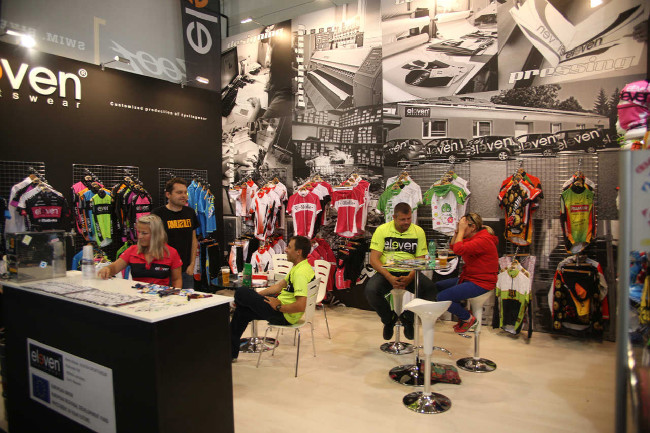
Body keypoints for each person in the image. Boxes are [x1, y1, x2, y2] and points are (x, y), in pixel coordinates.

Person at [230, 235, 315, 362]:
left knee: (241, 292)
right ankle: (230, 354)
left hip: (283, 314)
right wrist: (255, 298)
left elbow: (301, 305)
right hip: (280, 306)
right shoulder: (301, 266)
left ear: (298, 252)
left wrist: (279, 307)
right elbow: (279, 286)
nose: (285, 249)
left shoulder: (300, 274)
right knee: (242, 311)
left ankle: (236, 303)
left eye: (289, 247)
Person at [365, 202, 438, 341]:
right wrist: (389, 277)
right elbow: (374, 260)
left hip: (410, 272)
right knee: (371, 291)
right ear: (394, 217)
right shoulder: (382, 230)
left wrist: (410, 276)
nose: (407, 222)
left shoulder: (418, 231)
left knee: (430, 290)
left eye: (409, 218)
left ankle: (408, 318)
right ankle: (389, 319)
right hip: (387, 272)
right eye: (403, 219)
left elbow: (421, 258)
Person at [436, 212, 499, 333]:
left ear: (472, 227)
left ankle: (468, 319)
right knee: (437, 286)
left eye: (463, 226)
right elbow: (453, 247)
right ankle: (463, 311)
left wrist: (461, 232)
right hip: (470, 278)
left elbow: (458, 249)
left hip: (482, 282)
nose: (460, 228)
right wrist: (457, 232)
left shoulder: (483, 239)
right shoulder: (473, 237)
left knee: (442, 297)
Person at [98, 214, 183, 288]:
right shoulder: (132, 250)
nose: (140, 236)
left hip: (161, 298)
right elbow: (115, 267)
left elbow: (177, 280)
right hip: (138, 296)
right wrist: (107, 269)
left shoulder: (171, 253)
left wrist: (175, 296)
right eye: (139, 232)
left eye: (144, 233)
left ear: (156, 234)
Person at [152, 178, 199, 289]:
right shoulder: (157, 214)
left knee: (187, 299)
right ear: (168, 194)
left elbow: (193, 240)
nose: (184, 196)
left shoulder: (190, 212)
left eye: (185, 192)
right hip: (164, 271)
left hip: (185, 271)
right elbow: (153, 243)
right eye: (179, 192)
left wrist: (192, 264)